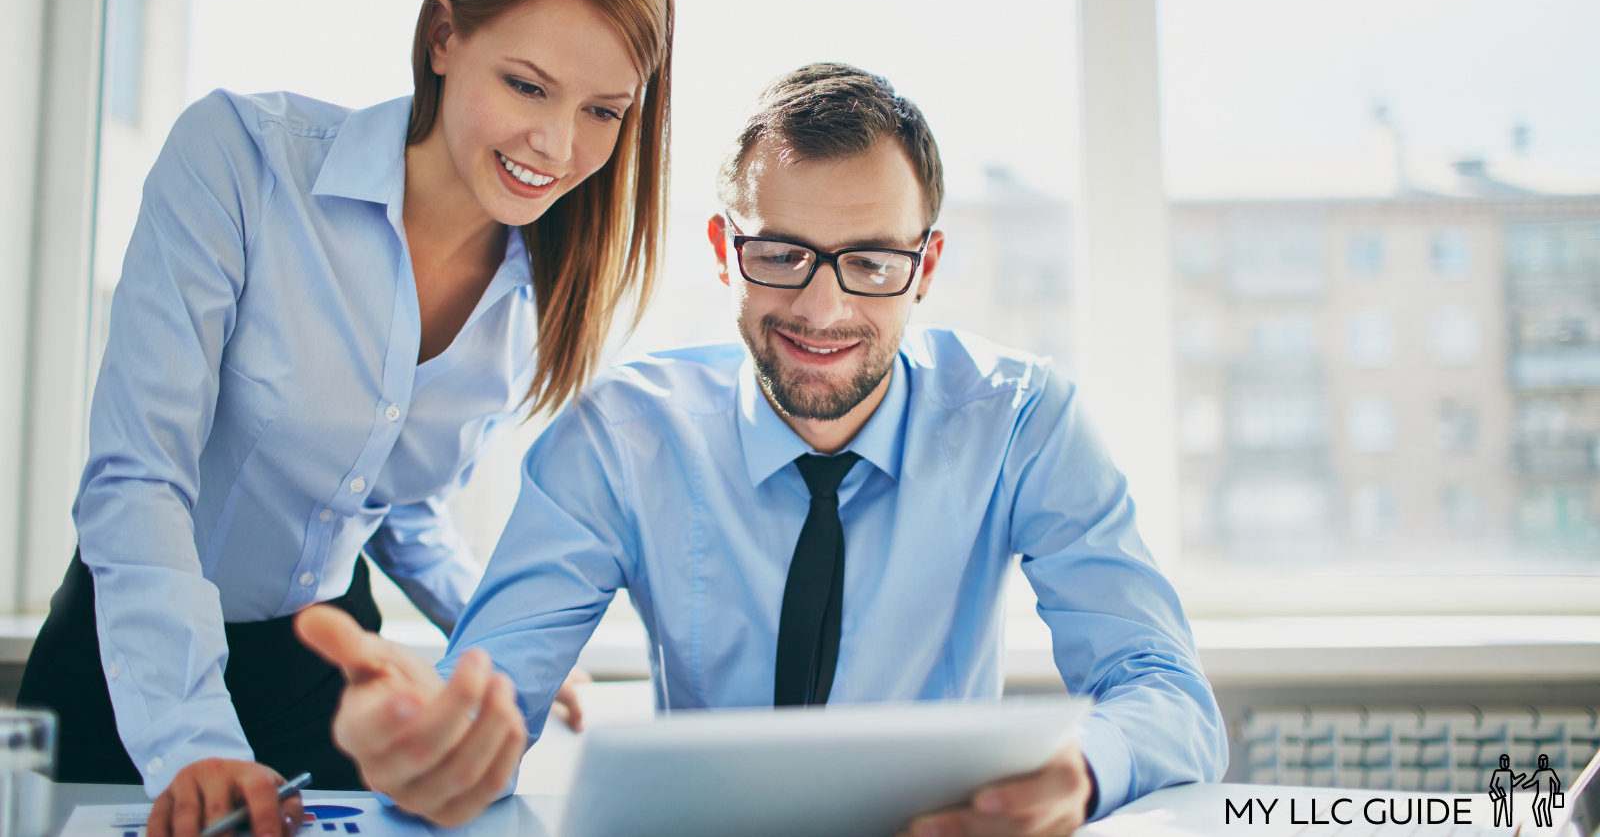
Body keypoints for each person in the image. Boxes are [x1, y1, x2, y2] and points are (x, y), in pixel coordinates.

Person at [298, 62, 1227, 835]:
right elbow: (492, 691)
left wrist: (1083, 772)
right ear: (722, 249)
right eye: (781, 253)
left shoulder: (1022, 421)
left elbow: (1167, 694)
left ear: (926, 268)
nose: (822, 311)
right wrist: (430, 748)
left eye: (870, 263)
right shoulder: (622, 438)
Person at [16, 0, 672, 836]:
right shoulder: (241, 162)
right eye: (527, 86)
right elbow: (137, 479)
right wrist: (195, 742)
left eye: (603, 110)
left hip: (327, 679)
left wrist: (500, 649)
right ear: (443, 34)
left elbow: (394, 510)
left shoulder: (539, 285)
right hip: (134, 667)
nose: (558, 147)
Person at [1524, 753, 1563, 828]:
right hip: (1540, 794)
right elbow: (1533, 781)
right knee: (1537, 807)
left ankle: (1547, 823)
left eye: (1543, 761)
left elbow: (1556, 782)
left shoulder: (1550, 772)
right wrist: (1525, 786)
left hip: (1547, 793)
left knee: (1544, 808)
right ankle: (1541, 823)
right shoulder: (1538, 772)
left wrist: (1556, 793)